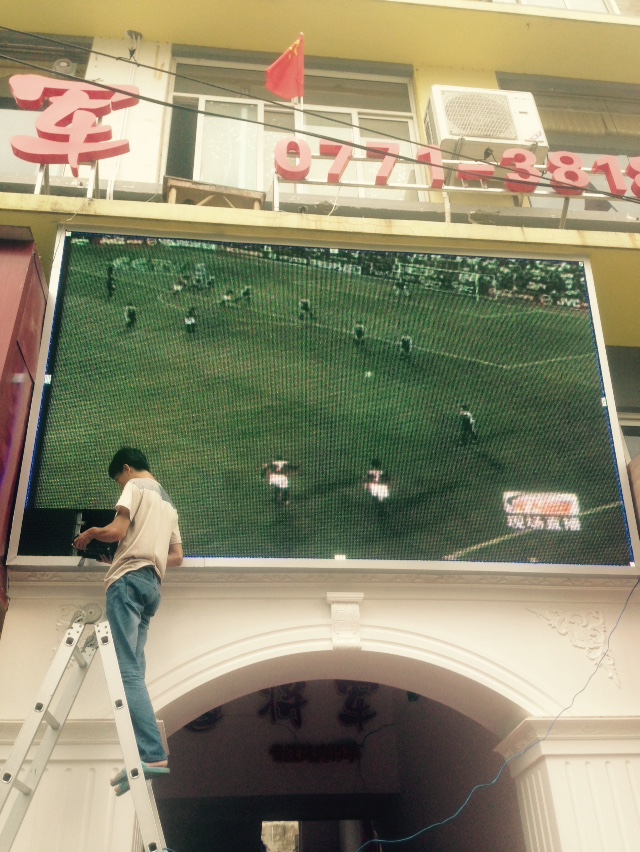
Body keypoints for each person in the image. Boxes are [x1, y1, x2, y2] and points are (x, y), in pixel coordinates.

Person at [72, 447, 183, 795]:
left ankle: (152, 754)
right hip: (152, 586)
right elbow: (177, 557)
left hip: (128, 584)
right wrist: (131, 555)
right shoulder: (169, 506)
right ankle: (146, 753)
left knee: (127, 673)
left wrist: (91, 533)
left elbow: (118, 530)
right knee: (134, 671)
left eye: (118, 480)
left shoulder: (135, 486)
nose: (120, 485)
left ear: (127, 469)